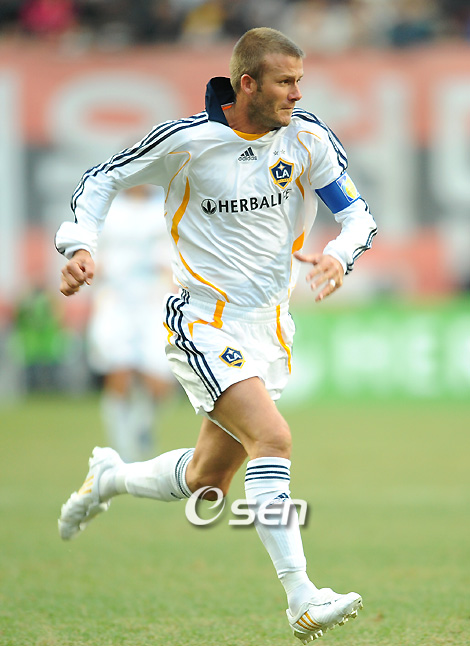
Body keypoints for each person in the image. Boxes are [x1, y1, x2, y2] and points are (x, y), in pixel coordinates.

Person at [55, 27, 377, 643]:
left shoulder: (307, 139)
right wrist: (79, 245)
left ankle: (109, 477)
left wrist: (341, 254)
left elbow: (357, 214)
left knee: (207, 479)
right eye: (285, 82)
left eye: (300, 81)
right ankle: (301, 597)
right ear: (247, 83)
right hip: (203, 321)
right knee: (272, 439)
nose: (297, 94)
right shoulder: (187, 142)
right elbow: (102, 178)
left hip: (269, 328)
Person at [86, 184, 177, 462]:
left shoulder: (165, 206)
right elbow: (92, 252)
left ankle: (142, 424)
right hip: (115, 298)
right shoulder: (107, 208)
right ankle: (121, 448)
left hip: (154, 298)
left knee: (159, 379)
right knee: (119, 369)